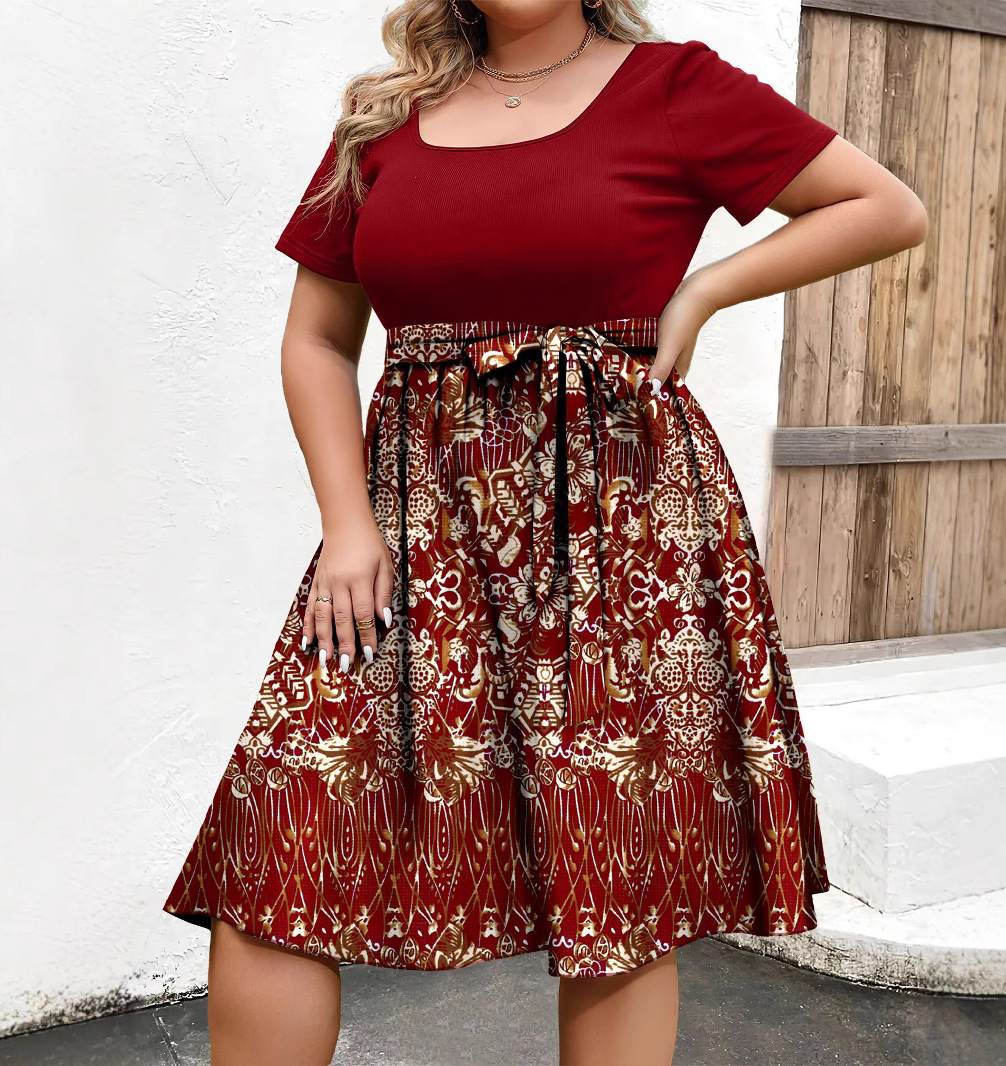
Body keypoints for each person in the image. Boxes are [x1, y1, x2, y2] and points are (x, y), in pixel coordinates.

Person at [162, 1, 928, 1063]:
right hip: (415, 526)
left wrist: (705, 290)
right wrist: (346, 524)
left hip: (620, 531)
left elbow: (884, 206)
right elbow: (317, 340)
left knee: (613, 870)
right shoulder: (382, 119)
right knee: (278, 846)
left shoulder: (675, 85)